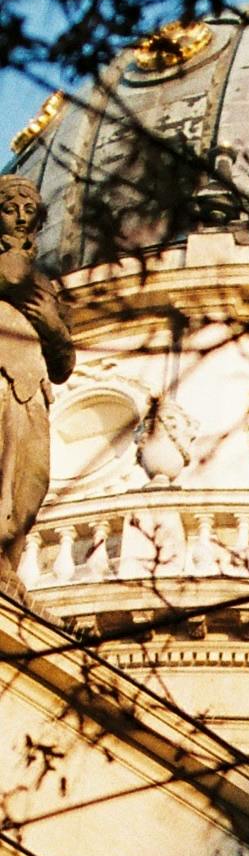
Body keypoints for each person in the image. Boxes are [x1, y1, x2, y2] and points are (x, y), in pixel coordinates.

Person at [0, 177, 74, 604]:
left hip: (31, 390)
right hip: (1, 379)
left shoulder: (44, 284)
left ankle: (8, 562)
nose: (21, 216)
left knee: (31, 481)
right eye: (10, 208)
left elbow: (64, 364)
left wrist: (50, 323)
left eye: (29, 210)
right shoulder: (17, 271)